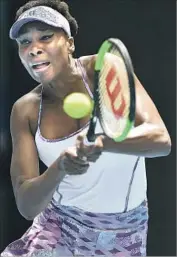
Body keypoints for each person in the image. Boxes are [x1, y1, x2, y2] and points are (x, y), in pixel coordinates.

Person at [1, 0, 171, 256]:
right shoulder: (24, 109)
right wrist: (60, 166)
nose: (34, 48)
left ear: (70, 43)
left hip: (120, 232)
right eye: (25, 42)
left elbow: (161, 141)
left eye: (45, 37)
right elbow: (27, 205)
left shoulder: (104, 70)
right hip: (56, 227)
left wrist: (104, 142)